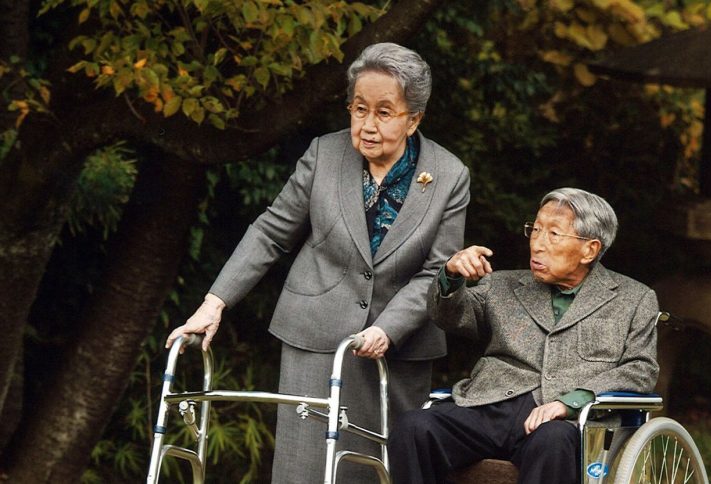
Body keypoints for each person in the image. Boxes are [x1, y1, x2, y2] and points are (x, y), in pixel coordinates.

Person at [166, 43, 470, 483]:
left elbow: (436, 270)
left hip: (398, 348)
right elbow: (271, 231)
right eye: (359, 109)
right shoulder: (324, 155)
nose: (367, 125)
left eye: (384, 113)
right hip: (314, 336)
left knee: (379, 470)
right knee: (304, 470)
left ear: (414, 118)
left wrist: (388, 329)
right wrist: (214, 303)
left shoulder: (449, 174)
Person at [389, 188, 659, 484]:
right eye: (536, 230)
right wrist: (452, 274)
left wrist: (570, 402)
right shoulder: (503, 285)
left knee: (553, 440)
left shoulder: (634, 298)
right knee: (414, 427)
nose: (538, 245)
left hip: (566, 419)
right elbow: (450, 316)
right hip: (489, 407)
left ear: (589, 250)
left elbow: (640, 369)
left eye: (554, 234)